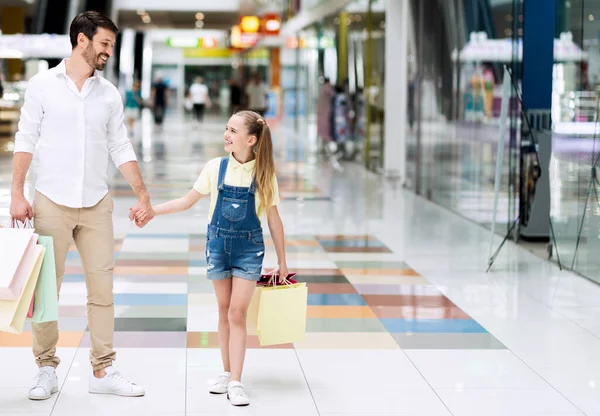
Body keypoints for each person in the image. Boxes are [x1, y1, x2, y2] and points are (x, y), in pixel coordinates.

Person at [9, 11, 154, 401]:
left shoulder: (108, 94)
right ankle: (45, 368)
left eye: (111, 44)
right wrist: (17, 193)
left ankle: (103, 369)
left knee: (102, 290)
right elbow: (26, 137)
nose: (108, 51)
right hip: (50, 200)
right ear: (82, 40)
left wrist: (141, 192)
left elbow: (120, 145)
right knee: (45, 292)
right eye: (104, 43)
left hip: (96, 203)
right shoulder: (42, 86)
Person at [134, 110, 289, 407]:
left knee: (237, 313)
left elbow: (274, 221)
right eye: (226, 129)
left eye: (233, 130)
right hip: (217, 247)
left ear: (251, 139)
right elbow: (186, 201)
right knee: (222, 310)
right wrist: (153, 211)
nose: (226, 135)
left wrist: (283, 261)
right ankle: (226, 370)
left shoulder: (265, 175)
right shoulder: (215, 168)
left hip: (249, 250)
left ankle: (236, 381)